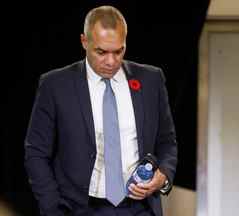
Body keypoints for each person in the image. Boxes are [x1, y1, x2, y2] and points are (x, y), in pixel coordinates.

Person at [24, 5, 177, 216]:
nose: (111, 61)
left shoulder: (151, 80)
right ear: (84, 42)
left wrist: (163, 177)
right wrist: (52, 208)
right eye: (101, 52)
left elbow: (167, 143)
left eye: (119, 51)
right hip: (78, 208)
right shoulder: (55, 85)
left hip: (140, 209)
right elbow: (36, 152)